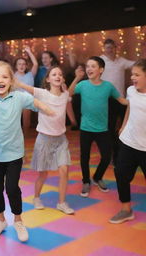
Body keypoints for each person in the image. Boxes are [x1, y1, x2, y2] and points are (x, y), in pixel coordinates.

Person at [0, 33, 54, 242]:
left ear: (11, 80)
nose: (0, 80)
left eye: (5, 77)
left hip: (14, 154)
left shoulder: (18, 96)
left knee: (12, 189)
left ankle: (18, 220)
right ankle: (1, 219)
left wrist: (48, 109)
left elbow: (35, 103)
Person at [17, 66, 83, 214]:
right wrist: (15, 82)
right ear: (48, 79)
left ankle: (61, 202)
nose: (58, 76)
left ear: (62, 79)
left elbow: (70, 90)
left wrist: (78, 77)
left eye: (60, 74)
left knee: (64, 171)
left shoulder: (64, 95)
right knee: (43, 173)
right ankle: (36, 197)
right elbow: (26, 87)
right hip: (44, 139)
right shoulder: (43, 93)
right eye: (54, 74)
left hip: (61, 140)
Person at [68, 56, 128, 198]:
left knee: (107, 157)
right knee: (84, 157)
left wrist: (138, 99)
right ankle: (86, 181)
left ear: (101, 70)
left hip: (103, 129)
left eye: (93, 66)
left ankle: (97, 177)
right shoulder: (82, 85)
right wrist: (77, 78)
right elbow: (69, 93)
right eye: (88, 66)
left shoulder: (108, 86)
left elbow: (122, 100)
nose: (89, 69)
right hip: (86, 128)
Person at [110, 59, 146, 224]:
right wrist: (123, 126)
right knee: (121, 174)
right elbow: (130, 108)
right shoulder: (131, 90)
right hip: (129, 142)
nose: (133, 77)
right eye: (132, 74)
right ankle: (126, 209)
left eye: (137, 74)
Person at [100, 39, 135, 164]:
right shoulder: (100, 61)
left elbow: (136, 64)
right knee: (109, 129)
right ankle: (111, 157)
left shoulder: (121, 61)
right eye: (107, 47)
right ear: (104, 49)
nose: (109, 50)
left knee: (126, 127)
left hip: (121, 100)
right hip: (106, 101)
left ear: (115, 48)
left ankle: (124, 155)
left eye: (111, 47)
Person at [14, 46, 38, 130]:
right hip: (16, 101)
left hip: (27, 101)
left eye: (23, 64)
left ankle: (25, 138)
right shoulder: (12, 76)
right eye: (19, 64)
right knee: (15, 122)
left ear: (26, 66)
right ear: (16, 66)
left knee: (26, 122)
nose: (21, 66)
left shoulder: (30, 75)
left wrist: (29, 52)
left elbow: (35, 64)